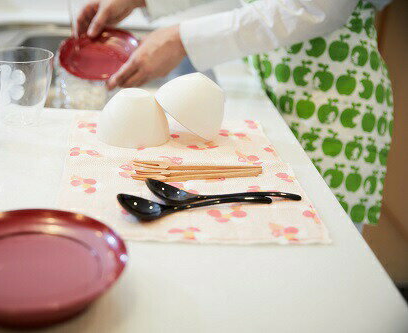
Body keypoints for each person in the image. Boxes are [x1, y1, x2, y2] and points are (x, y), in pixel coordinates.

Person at [76, 0, 393, 228]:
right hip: (275, 81)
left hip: (334, 107)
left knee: (325, 243)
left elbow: (317, 8)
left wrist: (182, 39)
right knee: (272, 228)